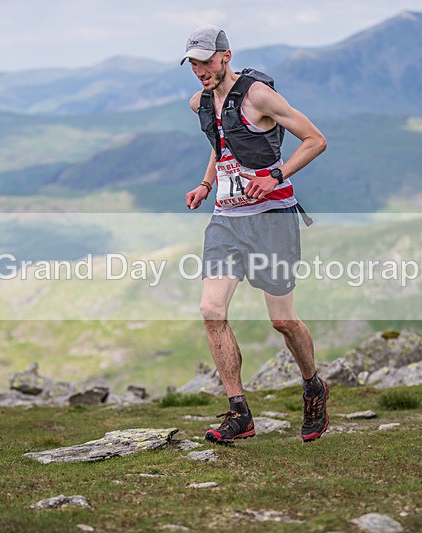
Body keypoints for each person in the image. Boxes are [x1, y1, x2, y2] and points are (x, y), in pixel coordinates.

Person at [181, 25, 329, 445]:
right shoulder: (199, 103)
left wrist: (275, 174)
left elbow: (315, 140)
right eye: (192, 63)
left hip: (272, 218)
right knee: (212, 311)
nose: (199, 70)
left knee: (282, 320)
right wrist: (206, 184)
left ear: (226, 56)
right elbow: (222, 142)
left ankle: (313, 386)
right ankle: (239, 412)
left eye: (206, 60)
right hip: (227, 220)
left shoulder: (258, 97)